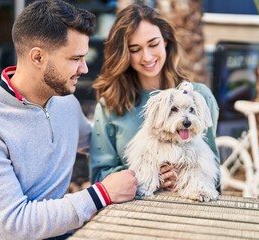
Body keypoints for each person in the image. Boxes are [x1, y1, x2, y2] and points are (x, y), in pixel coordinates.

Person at [0, 1, 137, 239]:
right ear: (37, 57)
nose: (85, 68)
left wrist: (157, 160)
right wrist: (102, 194)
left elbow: (98, 142)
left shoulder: (65, 102)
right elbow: (18, 223)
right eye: (75, 58)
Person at [90, 4, 221, 192]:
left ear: (166, 41)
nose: (147, 56)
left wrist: (187, 179)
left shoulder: (200, 96)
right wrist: (148, 177)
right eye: (135, 49)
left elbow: (214, 170)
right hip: (131, 211)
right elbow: (99, 174)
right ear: (124, 53)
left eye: (153, 44)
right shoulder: (110, 103)